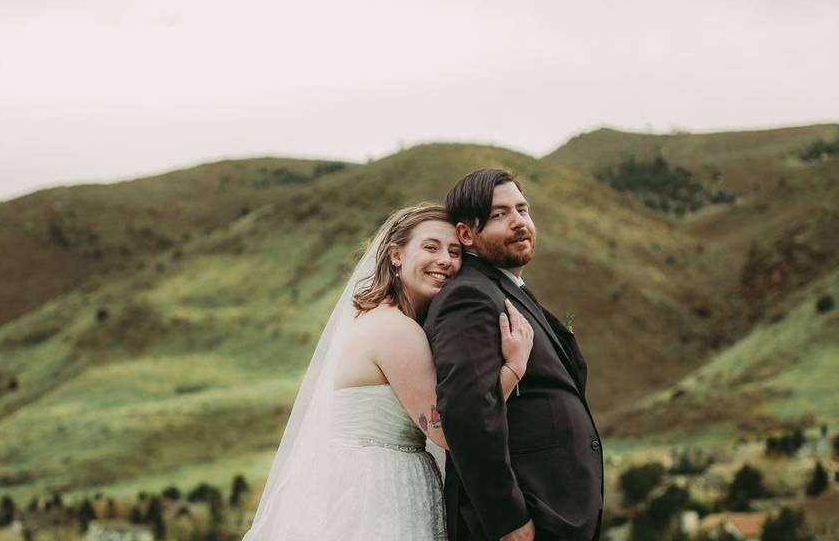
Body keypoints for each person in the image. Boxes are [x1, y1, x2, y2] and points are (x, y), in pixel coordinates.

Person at [243, 204, 535, 540]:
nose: (446, 260)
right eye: (430, 247)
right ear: (396, 255)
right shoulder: (396, 330)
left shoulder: (382, 320)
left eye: (454, 251)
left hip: (357, 475)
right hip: (378, 485)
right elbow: (446, 431)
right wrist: (513, 368)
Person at [424, 169, 604, 541]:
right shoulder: (469, 297)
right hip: (523, 521)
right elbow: (466, 412)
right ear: (466, 234)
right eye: (499, 215)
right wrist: (507, 519)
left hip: (555, 513)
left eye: (523, 210)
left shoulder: (505, 289)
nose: (519, 222)